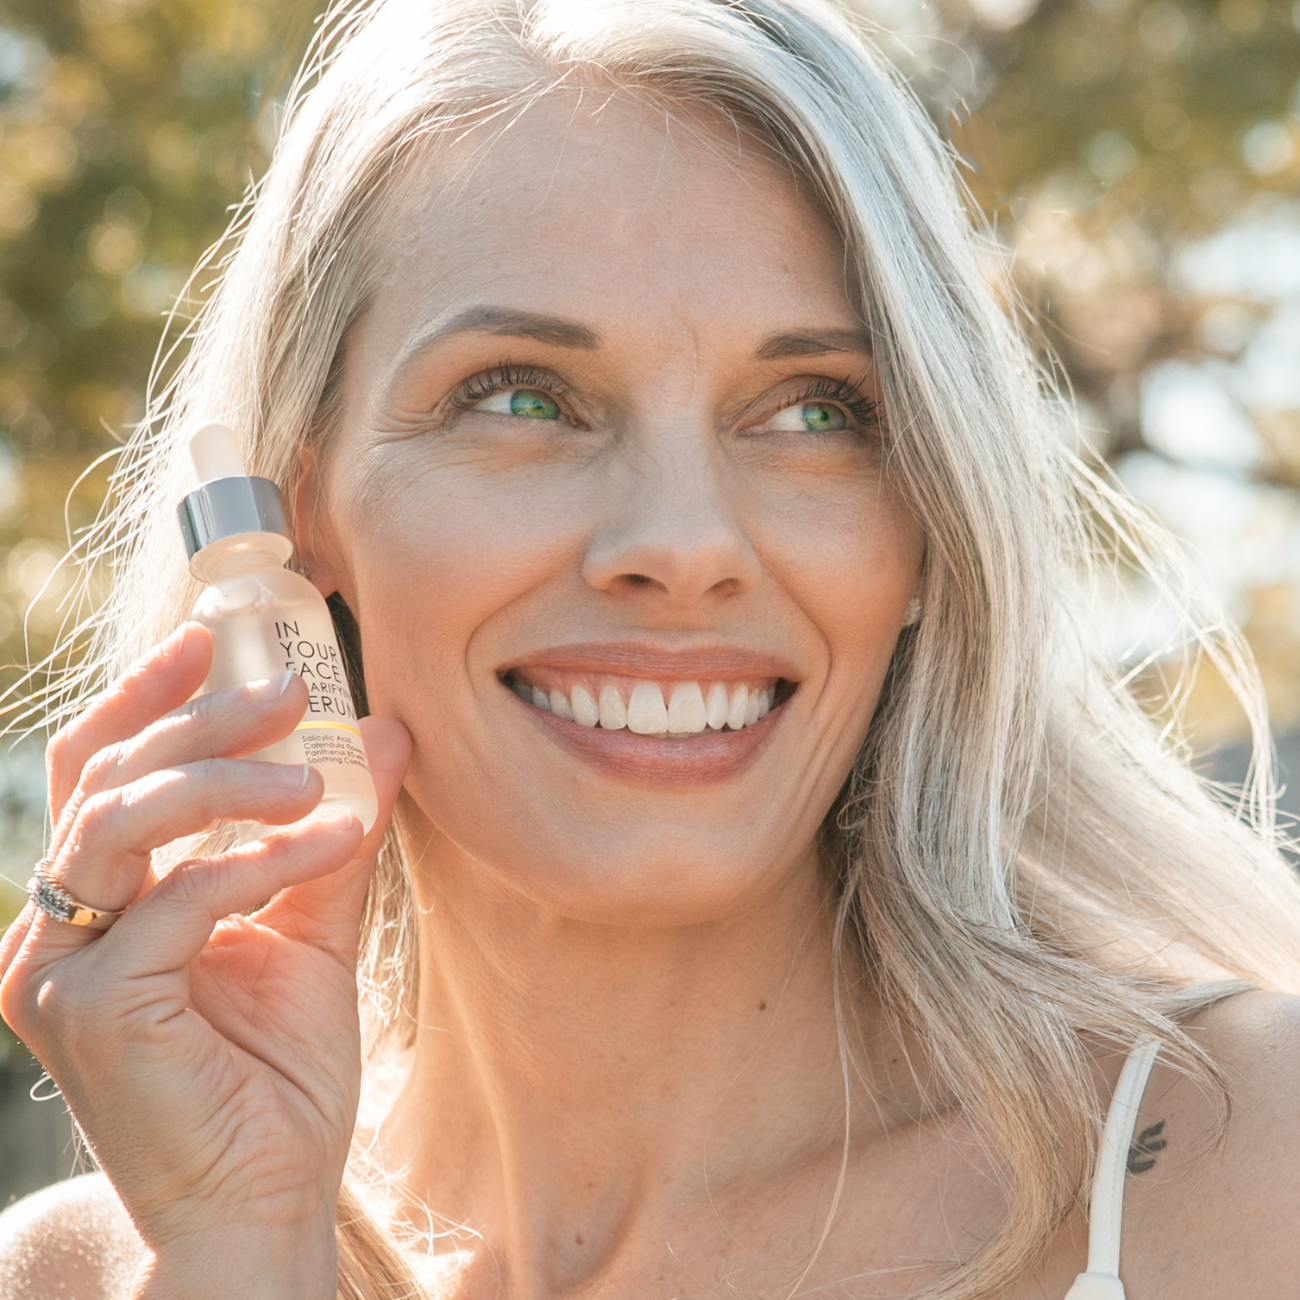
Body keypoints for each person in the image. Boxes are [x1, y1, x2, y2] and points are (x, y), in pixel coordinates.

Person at [1, 0, 1299, 1296]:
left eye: (815, 410)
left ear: (928, 524)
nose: (682, 543)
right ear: (297, 510)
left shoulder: (1248, 1158)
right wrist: (238, 1251)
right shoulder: (87, 1269)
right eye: (521, 397)